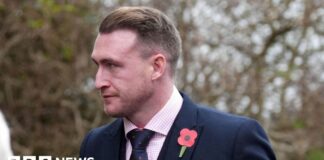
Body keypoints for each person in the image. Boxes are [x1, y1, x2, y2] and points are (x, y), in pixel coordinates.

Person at [80, 6, 276, 160]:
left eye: (112, 65)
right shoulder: (95, 144)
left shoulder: (233, 139)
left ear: (157, 67)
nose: (99, 82)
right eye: (98, 65)